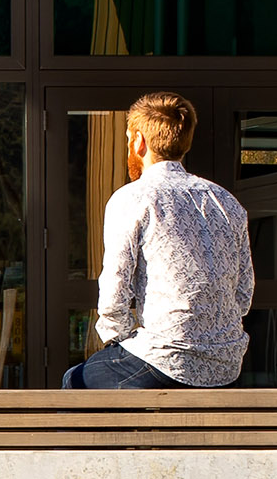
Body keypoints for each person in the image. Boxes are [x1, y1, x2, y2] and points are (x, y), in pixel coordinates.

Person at [66, 90, 252, 389]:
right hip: (227, 365)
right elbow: (243, 293)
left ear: (138, 141)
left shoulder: (135, 197)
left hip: (165, 358)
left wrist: (121, 338)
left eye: (129, 138)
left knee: (75, 381)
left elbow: (114, 292)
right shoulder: (226, 202)